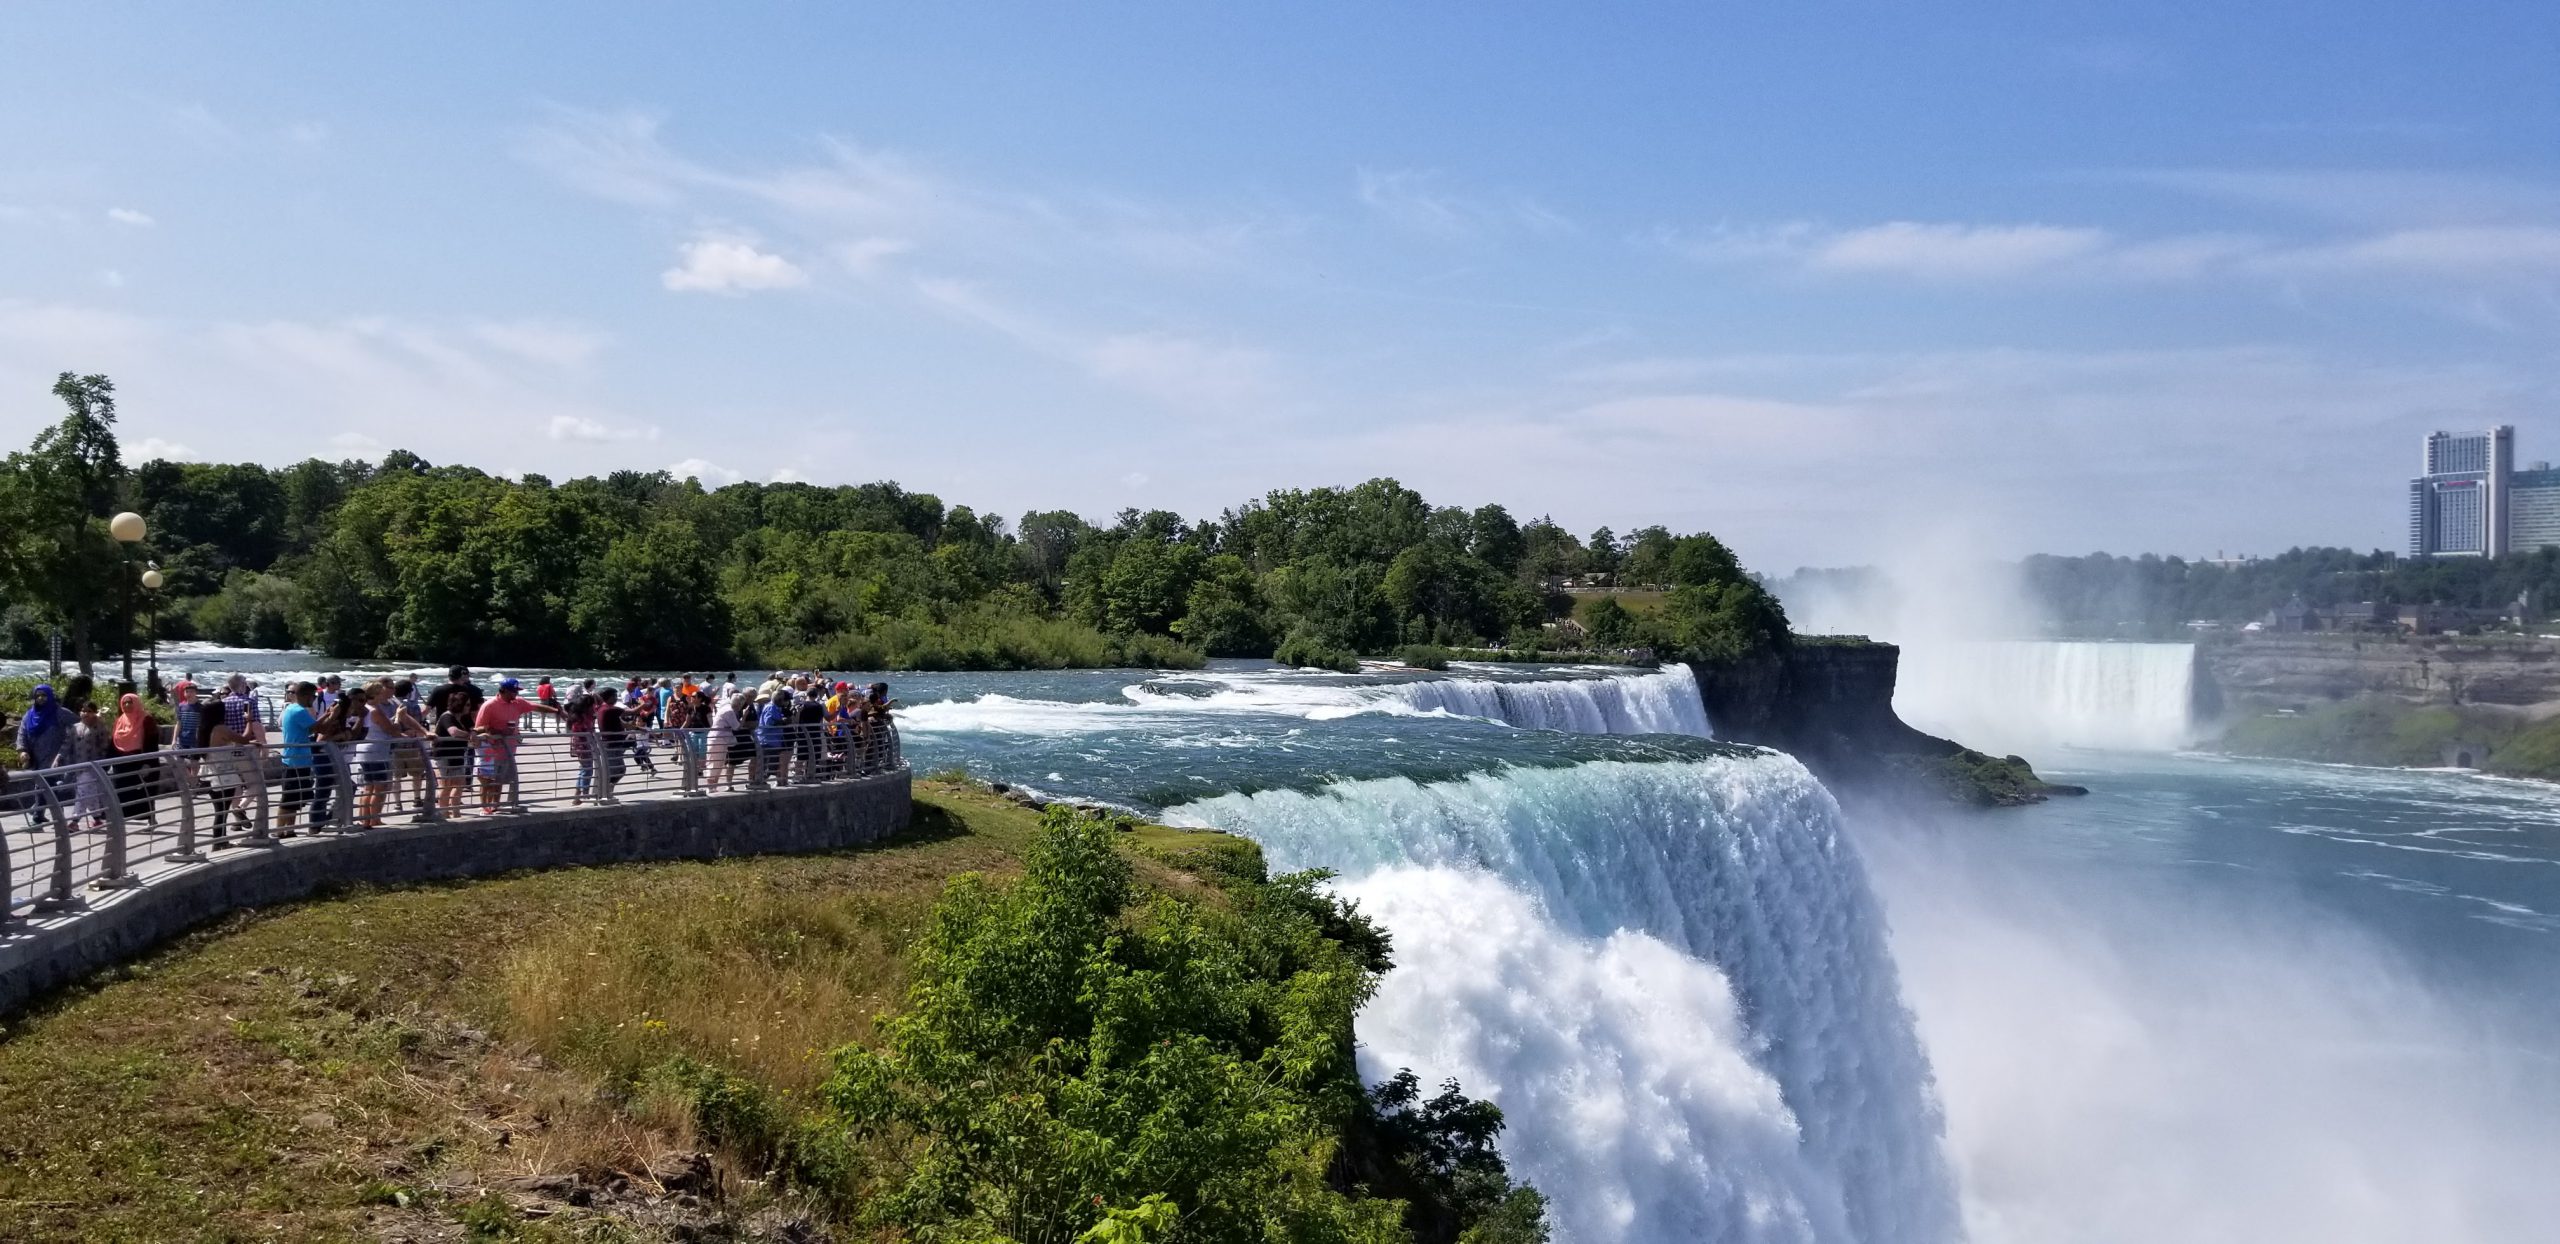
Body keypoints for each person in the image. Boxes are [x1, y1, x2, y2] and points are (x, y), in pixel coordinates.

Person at [472, 676, 562, 814]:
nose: (517, 694)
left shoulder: (517, 703)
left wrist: (556, 711)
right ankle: (484, 807)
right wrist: (498, 731)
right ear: (504, 691)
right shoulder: (489, 706)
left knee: (500, 780)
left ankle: (495, 805)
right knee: (487, 781)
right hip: (490, 750)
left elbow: (535, 707)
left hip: (508, 749)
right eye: (514, 691)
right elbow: (478, 728)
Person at [14, 684, 72, 829]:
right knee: (44, 787)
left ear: (50, 696)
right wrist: (22, 750)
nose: (40, 698)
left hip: (54, 759)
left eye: (44, 695)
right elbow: (22, 733)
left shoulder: (60, 713)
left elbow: (78, 727)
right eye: (37, 695)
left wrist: (66, 749)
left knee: (44, 786)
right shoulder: (30, 715)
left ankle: (38, 819)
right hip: (36, 757)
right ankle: (49, 817)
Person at [106, 692, 159, 825]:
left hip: (140, 761)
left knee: (143, 792)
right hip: (121, 763)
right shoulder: (119, 721)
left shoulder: (146, 720)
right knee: (121, 793)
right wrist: (105, 765)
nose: (127, 705)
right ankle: (120, 820)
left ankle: (150, 818)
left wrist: (148, 763)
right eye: (124, 703)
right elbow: (113, 742)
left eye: (130, 702)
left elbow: (152, 742)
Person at [276, 682, 320, 833]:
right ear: (305, 695)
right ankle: (279, 830)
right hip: (296, 760)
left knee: (295, 798)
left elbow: (308, 730)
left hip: (296, 759)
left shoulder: (290, 708)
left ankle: (290, 829)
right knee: (289, 799)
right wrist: (332, 715)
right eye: (313, 696)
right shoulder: (299, 711)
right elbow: (318, 728)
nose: (314, 699)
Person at [67, 701, 108, 829]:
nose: (86, 714)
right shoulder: (75, 727)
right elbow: (66, 745)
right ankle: (97, 819)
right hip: (78, 765)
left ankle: (74, 821)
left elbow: (105, 745)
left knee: (82, 793)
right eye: (84, 711)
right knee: (90, 793)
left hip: (93, 766)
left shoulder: (99, 727)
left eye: (89, 711)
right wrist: (59, 758)